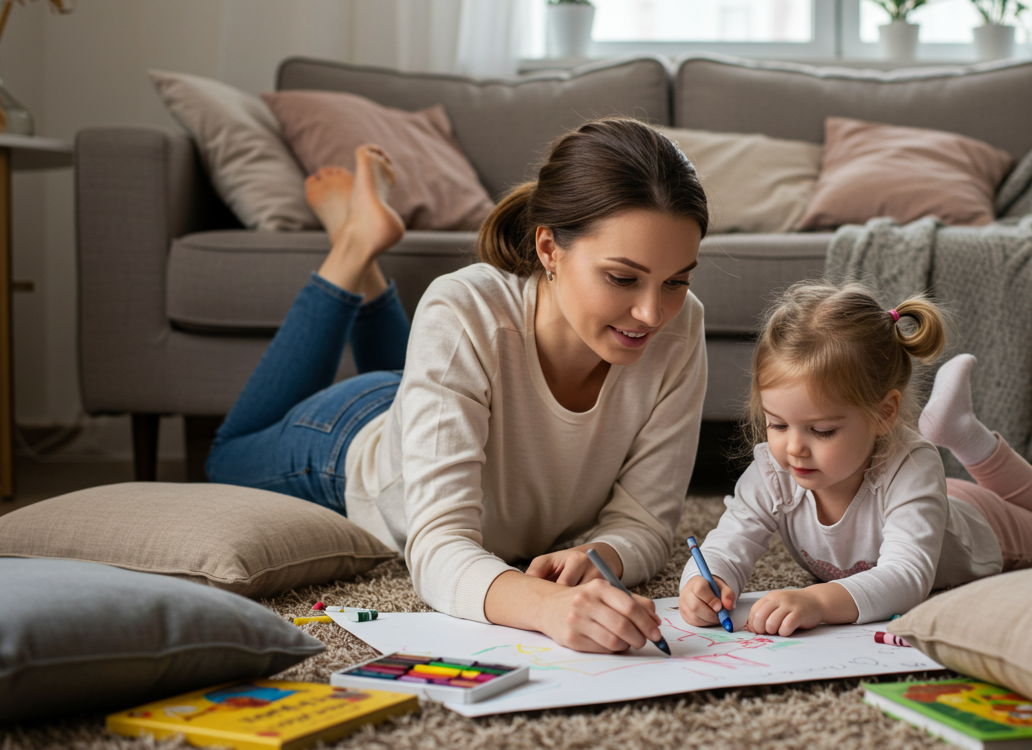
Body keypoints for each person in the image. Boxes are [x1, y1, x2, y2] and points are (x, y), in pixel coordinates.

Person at [208, 118, 710, 654]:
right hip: (348, 437)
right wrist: (545, 605)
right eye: (622, 278)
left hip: (441, 391)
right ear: (549, 249)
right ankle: (353, 245)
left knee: (437, 362)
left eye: (676, 280)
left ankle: (361, 242)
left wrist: (606, 553)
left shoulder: (680, 328)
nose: (652, 313)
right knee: (224, 459)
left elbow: (645, 521)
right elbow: (438, 544)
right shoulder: (464, 309)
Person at [677, 283, 1032, 635]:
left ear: (884, 414)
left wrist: (819, 601)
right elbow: (727, 544)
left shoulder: (914, 467)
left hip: (980, 524)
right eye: (778, 424)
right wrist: (703, 581)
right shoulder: (773, 472)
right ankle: (955, 429)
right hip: (922, 501)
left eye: (822, 430)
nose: (794, 448)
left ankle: (966, 435)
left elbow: (907, 577)